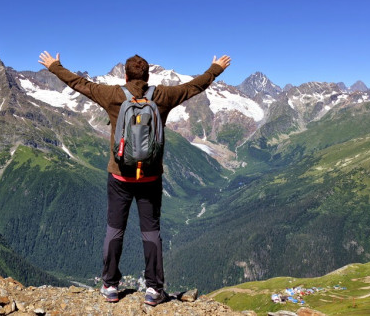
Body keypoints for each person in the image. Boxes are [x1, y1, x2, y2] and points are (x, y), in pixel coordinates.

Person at [38, 51, 231, 305]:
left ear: (125, 74)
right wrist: (215, 68)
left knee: (114, 230)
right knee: (151, 232)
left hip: (120, 177)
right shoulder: (162, 96)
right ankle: (154, 290)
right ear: (148, 76)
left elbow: (79, 84)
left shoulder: (113, 95)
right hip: (150, 177)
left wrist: (55, 66)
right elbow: (193, 87)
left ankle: (109, 285)